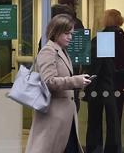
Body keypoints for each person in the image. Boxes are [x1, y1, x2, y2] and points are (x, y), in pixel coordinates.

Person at [26, 14, 92, 153]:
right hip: (54, 115)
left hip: (65, 117)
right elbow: (49, 81)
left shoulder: (61, 51)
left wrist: (80, 81)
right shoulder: (48, 51)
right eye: (66, 33)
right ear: (55, 32)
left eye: (71, 34)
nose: (70, 37)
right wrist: (76, 81)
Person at [85, 9, 124, 153]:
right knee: (114, 123)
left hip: (99, 87)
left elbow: (95, 66)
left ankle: (94, 149)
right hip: (118, 87)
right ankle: (113, 150)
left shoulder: (101, 39)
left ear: (105, 21)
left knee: (95, 123)